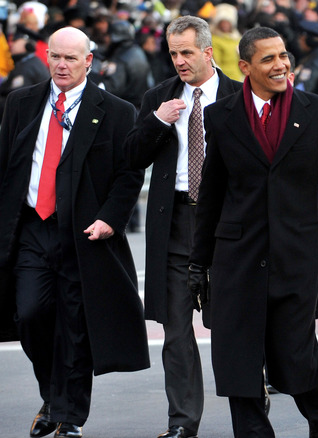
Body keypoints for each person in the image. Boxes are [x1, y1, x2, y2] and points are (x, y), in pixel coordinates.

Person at [187, 26, 318, 438]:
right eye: (268, 59)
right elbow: (211, 195)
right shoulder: (219, 116)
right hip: (237, 256)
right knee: (238, 360)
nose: (280, 65)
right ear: (245, 67)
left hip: (295, 255)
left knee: (293, 357)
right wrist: (197, 264)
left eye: (283, 56)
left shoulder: (315, 110)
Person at [0, 26, 149, 438]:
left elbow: (128, 173)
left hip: (84, 234)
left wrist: (109, 218)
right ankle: (52, 394)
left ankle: (69, 417)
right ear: (47, 57)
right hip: (31, 227)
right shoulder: (21, 102)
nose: (61, 65)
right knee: (29, 313)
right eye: (55, 56)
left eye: (71, 58)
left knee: (75, 326)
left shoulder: (116, 111)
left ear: (89, 61)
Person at [123, 15, 242, 438]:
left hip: (226, 224)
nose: (179, 61)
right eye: (173, 53)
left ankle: (250, 405)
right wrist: (157, 121)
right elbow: (132, 157)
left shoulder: (239, 96)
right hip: (174, 221)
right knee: (175, 330)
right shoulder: (160, 97)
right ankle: (182, 422)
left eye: (187, 52)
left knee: (232, 325)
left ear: (208, 52)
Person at [0, 27, 50, 121]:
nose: (11, 44)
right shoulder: (28, 62)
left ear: (26, 44)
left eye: (15, 41)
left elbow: (16, 100)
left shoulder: (27, 67)